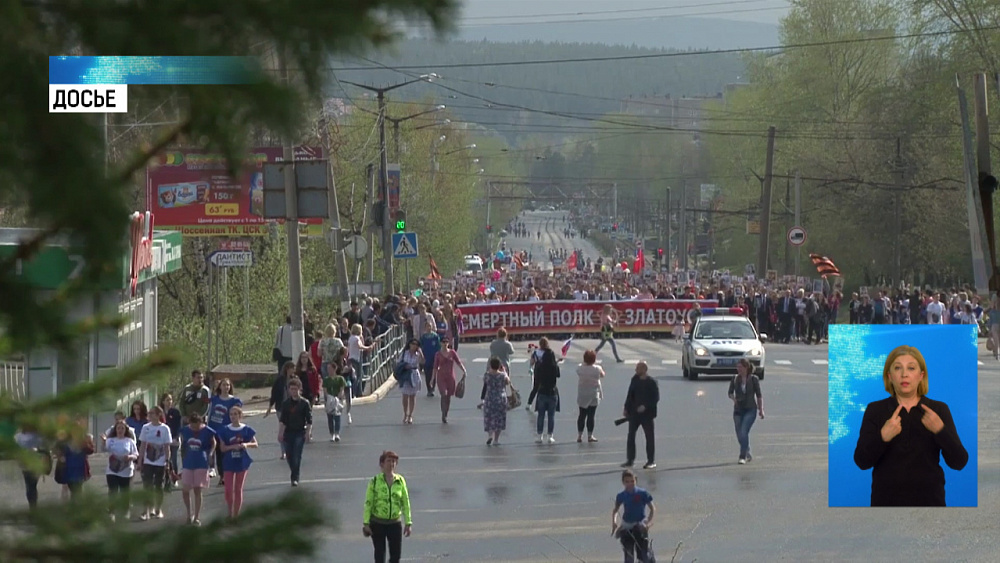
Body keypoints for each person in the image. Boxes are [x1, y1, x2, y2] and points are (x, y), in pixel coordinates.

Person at [853, 345, 969, 506]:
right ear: (889, 376)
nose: (904, 374)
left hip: (931, 504)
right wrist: (883, 437)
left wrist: (940, 431)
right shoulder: (875, 410)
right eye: (897, 368)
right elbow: (861, 461)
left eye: (911, 368)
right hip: (885, 505)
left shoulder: (938, 410)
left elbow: (959, 462)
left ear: (921, 375)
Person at [363, 450, 412, 563]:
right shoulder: (375, 481)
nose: (391, 464)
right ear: (382, 464)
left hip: (394, 523)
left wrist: (408, 523)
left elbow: (405, 502)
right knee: (380, 555)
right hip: (378, 523)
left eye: (394, 461)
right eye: (388, 461)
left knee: (396, 556)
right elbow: (368, 502)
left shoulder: (400, 481)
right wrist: (366, 523)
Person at [218, 405, 258, 519]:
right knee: (228, 489)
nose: (233, 416)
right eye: (231, 414)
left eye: (235, 414)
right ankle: (229, 512)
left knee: (238, 488)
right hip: (229, 462)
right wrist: (233, 447)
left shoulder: (246, 429)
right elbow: (222, 448)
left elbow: (255, 444)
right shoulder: (225, 430)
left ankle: (236, 515)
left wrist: (246, 444)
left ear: (240, 416)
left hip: (242, 461)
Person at [179, 413, 216, 525]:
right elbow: (183, 441)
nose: (195, 428)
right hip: (188, 462)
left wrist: (210, 453)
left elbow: (214, 442)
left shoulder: (207, 431)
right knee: (185, 490)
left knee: (197, 490)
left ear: (200, 423)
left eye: (196, 426)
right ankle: (188, 514)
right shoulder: (185, 430)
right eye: (192, 426)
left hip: (201, 462)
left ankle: (196, 517)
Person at [611, 469, 656, 563]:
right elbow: (615, 510)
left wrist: (648, 522)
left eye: (632, 481)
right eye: (627, 481)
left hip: (640, 524)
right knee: (628, 556)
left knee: (643, 556)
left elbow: (652, 508)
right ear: (623, 482)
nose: (630, 484)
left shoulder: (642, 493)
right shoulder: (621, 495)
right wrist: (614, 522)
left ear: (636, 480)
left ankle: (650, 557)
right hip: (627, 525)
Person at [622, 361, 659, 469]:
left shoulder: (651, 382)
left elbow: (655, 398)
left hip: (647, 415)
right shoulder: (635, 379)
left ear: (644, 369)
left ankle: (650, 461)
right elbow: (630, 395)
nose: (636, 370)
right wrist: (626, 408)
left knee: (649, 437)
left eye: (638, 368)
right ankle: (630, 460)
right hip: (634, 414)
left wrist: (645, 406)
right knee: (631, 436)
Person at [138, 405, 172, 520]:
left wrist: (167, 461)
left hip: (160, 462)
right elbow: (143, 445)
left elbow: (167, 447)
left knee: (158, 486)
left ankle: (158, 509)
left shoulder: (165, 429)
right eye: (149, 413)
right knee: (147, 486)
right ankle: (146, 510)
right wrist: (140, 461)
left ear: (158, 415)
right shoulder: (145, 427)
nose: (150, 415)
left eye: (152, 413)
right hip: (148, 461)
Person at [728, 358, 765, 464]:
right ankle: (747, 450)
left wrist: (761, 409)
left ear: (746, 368)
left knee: (744, 431)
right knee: (740, 434)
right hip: (738, 410)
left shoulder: (753, 379)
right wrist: (734, 399)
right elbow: (730, 392)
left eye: (741, 367)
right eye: (737, 367)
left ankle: (742, 456)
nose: (738, 369)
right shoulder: (735, 379)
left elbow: (759, 395)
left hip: (750, 409)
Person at [278, 377, 313, 486]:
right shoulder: (286, 404)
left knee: (297, 455)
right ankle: (293, 471)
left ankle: (295, 477)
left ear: (299, 389)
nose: (293, 391)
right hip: (288, 433)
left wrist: (308, 433)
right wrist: (280, 433)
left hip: (299, 432)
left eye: (295, 389)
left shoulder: (304, 403)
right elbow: (283, 420)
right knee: (289, 455)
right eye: (291, 389)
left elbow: (309, 420)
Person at [208, 378, 242, 484]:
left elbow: (238, 414)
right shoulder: (214, 400)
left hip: (228, 430)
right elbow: (207, 411)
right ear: (220, 386)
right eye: (224, 385)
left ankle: (230, 474)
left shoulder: (234, 401)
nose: (226, 387)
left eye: (228, 385)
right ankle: (222, 476)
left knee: (228, 453)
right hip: (215, 429)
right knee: (219, 453)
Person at [105, 420, 138, 522]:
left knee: (125, 491)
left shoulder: (130, 441)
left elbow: (136, 455)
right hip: (112, 470)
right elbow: (105, 449)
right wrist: (103, 442)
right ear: (115, 429)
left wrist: (130, 457)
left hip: (126, 470)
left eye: (122, 428)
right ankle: (111, 512)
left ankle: (126, 510)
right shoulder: (110, 440)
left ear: (125, 430)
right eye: (118, 428)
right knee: (113, 491)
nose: (120, 430)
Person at [529, 338, 561, 444]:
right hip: (552, 391)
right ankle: (550, 436)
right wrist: (556, 363)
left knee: (541, 415)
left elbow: (537, 377)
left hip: (542, 391)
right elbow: (558, 375)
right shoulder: (554, 366)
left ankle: (539, 435)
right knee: (551, 416)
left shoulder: (540, 366)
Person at [431, 336, 467, 423]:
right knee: (444, 394)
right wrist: (433, 379)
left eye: (446, 342)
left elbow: (458, 362)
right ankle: (443, 413)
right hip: (441, 376)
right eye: (443, 342)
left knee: (449, 396)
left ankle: (446, 412)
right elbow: (435, 367)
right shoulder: (438, 354)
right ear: (440, 343)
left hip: (450, 376)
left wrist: (464, 370)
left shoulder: (452, 352)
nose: (445, 344)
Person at [265, 361, 295, 460]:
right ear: (287, 369)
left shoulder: (295, 379)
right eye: (292, 368)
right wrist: (270, 407)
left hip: (292, 407)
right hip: (281, 407)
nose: (293, 370)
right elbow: (274, 393)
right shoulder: (280, 380)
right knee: (283, 428)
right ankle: (284, 451)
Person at [14, 424, 48, 509]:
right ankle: (32, 505)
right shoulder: (20, 436)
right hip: (26, 463)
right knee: (30, 485)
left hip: (35, 463)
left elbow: (44, 450)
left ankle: (33, 505)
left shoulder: (38, 436)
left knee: (31, 485)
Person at [576, 349, 605, 443]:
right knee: (591, 415)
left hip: (582, 394)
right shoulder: (597, 368)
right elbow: (603, 375)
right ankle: (590, 435)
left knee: (582, 415)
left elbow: (578, 370)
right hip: (593, 394)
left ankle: (579, 435)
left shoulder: (580, 368)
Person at [482, 357, 511, 446]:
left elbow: (485, 382)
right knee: (499, 418)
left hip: (489, 398)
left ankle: (490, 435)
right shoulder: (502, 375)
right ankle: (496, 439)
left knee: (489, 417)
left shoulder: (487, 375)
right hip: (500, 398)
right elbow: (508, 382)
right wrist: (505, 372)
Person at [398, 339, 424, 424]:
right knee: (405, 395)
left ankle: (410, 415)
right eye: (412, 344)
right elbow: (398, 362)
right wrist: (404, 366)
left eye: (416, 344)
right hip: (406, 374)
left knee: (412, 396)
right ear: (409, 344)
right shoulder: (404, 353)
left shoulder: (418, 354)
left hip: (414, 374)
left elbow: (423, 362)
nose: (414, 345)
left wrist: (421, 353)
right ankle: (405, 414)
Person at [159, 393, 182, 490]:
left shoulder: (175, 412)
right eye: (167, 400)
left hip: (173, 439)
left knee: (173, 459)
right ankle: (165, 478)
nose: (169, 402)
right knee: (164, 460)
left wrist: (176, 437)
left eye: (170, 400)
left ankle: (174, 478)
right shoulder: (160, 412)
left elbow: (178, 425)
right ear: (163, 401)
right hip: (162, 440)